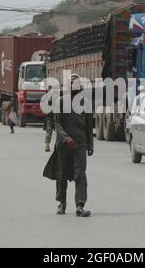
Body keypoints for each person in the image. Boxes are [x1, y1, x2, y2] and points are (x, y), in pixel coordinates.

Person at [43, 74, 94, 217]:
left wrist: (90, 145)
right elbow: (57, 124)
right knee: (61, 175)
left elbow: (89, 126)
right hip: (63, 145)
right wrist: (66, 138)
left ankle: (79, 206)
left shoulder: (86, 103)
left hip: (80, 144)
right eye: (72, 83)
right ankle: (62, 203)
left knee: (80, 175)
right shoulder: (60, 102)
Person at [44, 86, 54, 152]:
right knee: (49, 131)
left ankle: (47, 145)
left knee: (49, 131)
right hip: (52, 116)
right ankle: (47, 145)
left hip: (50, 116)